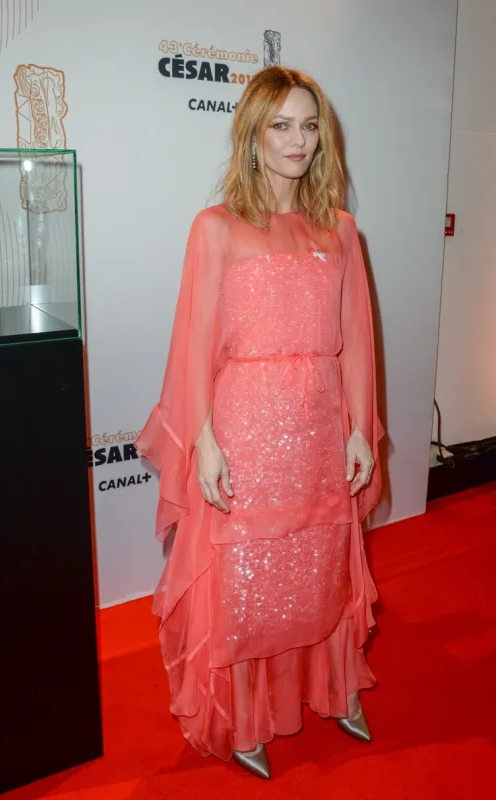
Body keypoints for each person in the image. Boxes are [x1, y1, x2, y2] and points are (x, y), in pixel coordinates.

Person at [136, 65, 384, 780]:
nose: (298, 140)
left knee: (319, 572)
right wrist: (203, 441)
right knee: (247, 585)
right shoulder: (215, 228)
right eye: (281, 125)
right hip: (245, 434)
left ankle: (333, 685)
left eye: (309, 125)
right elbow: (193, 345)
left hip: (318, 429)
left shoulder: (340, 228)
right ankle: (242, 717)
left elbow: (356, 339)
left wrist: (359, 427)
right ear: (251, 135)